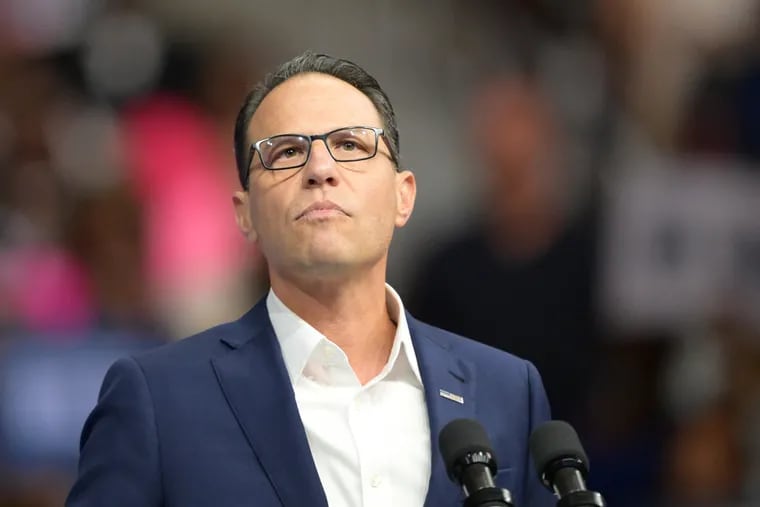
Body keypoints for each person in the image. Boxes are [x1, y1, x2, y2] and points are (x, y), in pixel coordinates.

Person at [66, 52, 554, 507]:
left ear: (403, 196)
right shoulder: (156, 400)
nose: (321, 169)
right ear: (245, 214)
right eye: (285, 152)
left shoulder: (509, 391)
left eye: (350, 144)